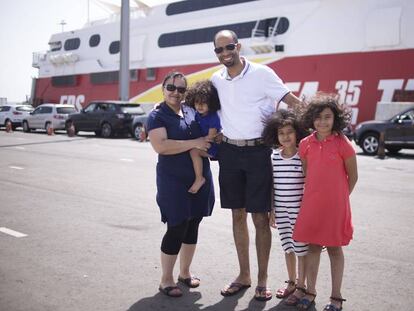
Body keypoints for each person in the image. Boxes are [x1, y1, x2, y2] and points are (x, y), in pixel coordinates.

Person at [211, 29, 303, 301]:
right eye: (219, 50)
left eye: (229, 47)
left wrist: (321, 131)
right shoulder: (216, 79)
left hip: (258, 153)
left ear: (238, 46)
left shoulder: (263, 74)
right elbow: (200, 107)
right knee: (236, 215)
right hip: (229, 152)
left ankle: (262, 280)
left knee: (260, 218)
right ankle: (244, 275)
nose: (225, 53)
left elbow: (293, 102)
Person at [146, 72, 215, 298]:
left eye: (181, 89)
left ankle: (185, 272)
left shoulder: (192, 110)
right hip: (173, 180)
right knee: (176, 226)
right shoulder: (157, 115)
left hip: (200, 175)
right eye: (171, 88)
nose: (176, 93)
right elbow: (161, 146)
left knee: (193, 223)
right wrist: (194, 142)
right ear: (163, 88)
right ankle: (166, 279)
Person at [292, 93, 358, 310]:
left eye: (327, 117)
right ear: (311, 119)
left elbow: (353, 176)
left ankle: (336, 297)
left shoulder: (343, 143)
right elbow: (307, 173)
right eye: (318, 117)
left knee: (334, 250)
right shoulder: (305, 144)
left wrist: (338, 200)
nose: (322, 122)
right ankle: (310, 292)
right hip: (312, 206)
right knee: (313, 247)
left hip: (336, 207)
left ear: (335, 118)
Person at [261, 109, 309, 306]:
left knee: (301, 250)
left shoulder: (303, 156)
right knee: (288, 247)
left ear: (297, 132)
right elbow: (273, 186)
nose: (285, 136)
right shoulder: (273, 157)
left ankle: (301, 285)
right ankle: (291, 281)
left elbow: (309, 186)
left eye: (289, 132)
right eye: (281, 133)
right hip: (281, 211)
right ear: (276, 135)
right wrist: (272, 211)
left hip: (300, 212)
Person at [185, 79, 221, 194]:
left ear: (211, 103)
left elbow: (211, 137)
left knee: (193, 151)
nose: (199, 106)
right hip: (204, 143)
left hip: (214, 146)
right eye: (197, 102)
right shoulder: (197, 114)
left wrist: (196, 142)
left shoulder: (213, 117)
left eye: (203, 102)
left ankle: (199, 178)